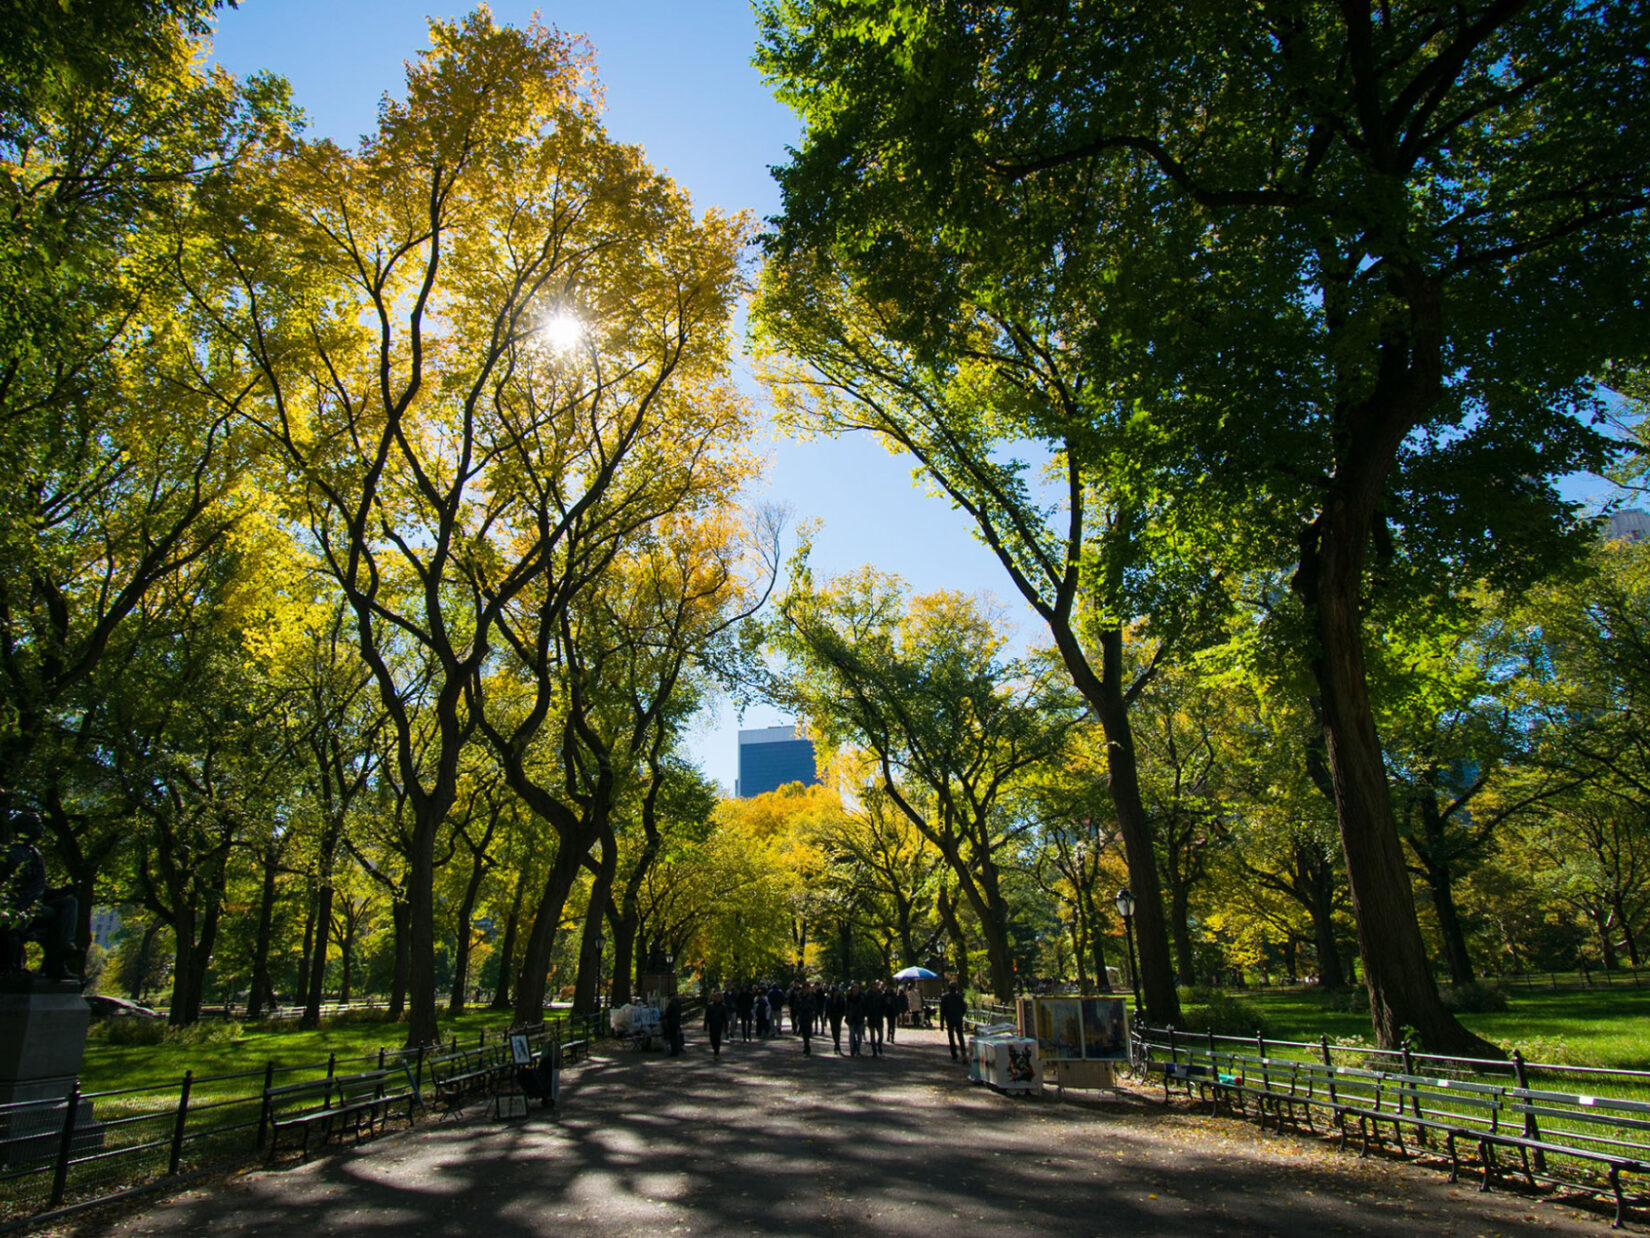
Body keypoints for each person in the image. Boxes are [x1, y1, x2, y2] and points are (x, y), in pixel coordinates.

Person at [939, 981, 967, 1060]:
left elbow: (942, 1011)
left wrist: (941, 1024)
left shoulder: (945, 997)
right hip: (958, 1018)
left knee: (951, 1037)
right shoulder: (959, 997)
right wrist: (961, 1014)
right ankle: (963, 1051)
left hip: (949, 1019)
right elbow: (964, 1008)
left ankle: (954, 1054)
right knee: (960, 1036)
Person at [704, 991, 729, 1059]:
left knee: (717, 1038)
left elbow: (725, 1017)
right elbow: (707, 1016)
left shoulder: (723, 1006)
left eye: (718, 997)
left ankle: (716, 1052)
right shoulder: (710, 1006)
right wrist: (705, 1025)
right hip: (712, 1024)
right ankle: (714, 1048)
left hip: (719, 1024)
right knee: (712, 1038)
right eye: (715, 997)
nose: (717, 998)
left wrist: (726, 1027)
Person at [864, 981, 885, 1057]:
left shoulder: (881, 994)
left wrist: (882, 1012)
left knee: (881, 1035)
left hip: (879, 1017)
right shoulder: (868, 995)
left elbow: (883, 1004)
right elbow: (865, 1006)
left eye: (876, 986)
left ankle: (879, 1045)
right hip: (871, 1017)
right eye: (874, 986)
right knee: (872, 1036)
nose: (875, 987)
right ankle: (874, 1051)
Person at [844, 982, 865, 1056]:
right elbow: (846, 1008)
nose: (855, 990)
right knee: (851, 1035)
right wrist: (847, 1016)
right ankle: (852, 1049)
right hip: (851, 1018)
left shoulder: (862, 998)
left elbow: (864, 1008)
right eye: (854, 988)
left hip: (859, 1018)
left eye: (857, 988)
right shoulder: (849, 998)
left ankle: (858, 1049)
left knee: (859, 1036)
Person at [825, 983, 846, 1054]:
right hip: (832, 1016)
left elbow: (843, 1007)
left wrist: (843, 1014)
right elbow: (827, 1009)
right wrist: (825, 1018)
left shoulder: (841, 999)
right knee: (833, 1030)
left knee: (838, 1030)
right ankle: (836, 1043)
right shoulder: (829, 999)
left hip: (838, 1016)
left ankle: (837, 1044)